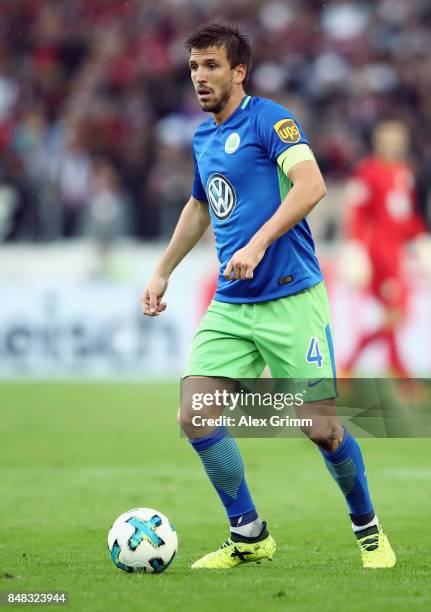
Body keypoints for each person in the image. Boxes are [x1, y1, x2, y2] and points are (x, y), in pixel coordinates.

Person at [141, 21, 395, 570]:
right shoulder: (202, 138)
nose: (199, 78)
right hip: (232, 306)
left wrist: (256, 243)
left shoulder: (271, 120)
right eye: (192, 68)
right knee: (195, 413)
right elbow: (199, 205)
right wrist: (162, 271)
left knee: (322, 428)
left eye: (211, 66)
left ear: (239, 71)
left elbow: (312, 185)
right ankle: (249, 535)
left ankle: (369, 531)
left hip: (290, 298)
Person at [344, 120, 427, 375]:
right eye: (389, 139)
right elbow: (358, 213)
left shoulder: (404, 172)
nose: (394, 145)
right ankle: (398, 373)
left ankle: (350, 369)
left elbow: (404, 218)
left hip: (397, 255)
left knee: (395, 315)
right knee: (395, 313)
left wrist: (422, 238)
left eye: (398, 140)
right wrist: (357, 248)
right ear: (379, 142)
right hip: (378, 255)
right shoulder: (367, 172)